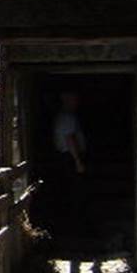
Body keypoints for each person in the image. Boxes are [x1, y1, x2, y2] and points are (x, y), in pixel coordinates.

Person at [53, 91, 89, 238]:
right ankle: (75, 227)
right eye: (74, 98)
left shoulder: (67, 116)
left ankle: (74, 226)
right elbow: (70, 139)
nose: (77, 101)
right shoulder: (67, 117)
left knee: (73, 190)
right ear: (66, 100)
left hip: (68, 157)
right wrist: (78, 162)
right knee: (74, 190)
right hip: (69, 157)